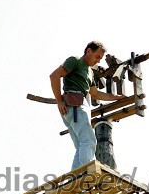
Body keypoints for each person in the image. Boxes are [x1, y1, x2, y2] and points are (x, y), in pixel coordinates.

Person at [50, 41, 125, 170]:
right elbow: (54, 76)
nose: (98, 61)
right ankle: (89, 173)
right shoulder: (76, 60)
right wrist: (59, 101)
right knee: (89, 141)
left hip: (73, 106)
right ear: (89, 51)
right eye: (97, 56)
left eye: (100, 58)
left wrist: (116, 97)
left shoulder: (89, 72)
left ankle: (76, 177)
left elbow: (95, 94)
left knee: (81, 145)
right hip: (75, 104)